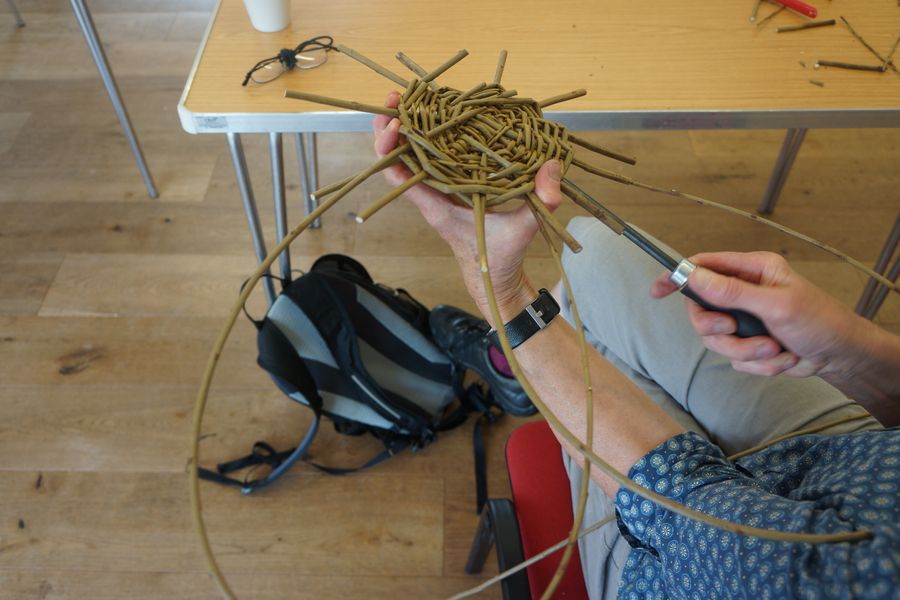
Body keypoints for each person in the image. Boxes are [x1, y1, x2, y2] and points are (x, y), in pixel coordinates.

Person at [372, 91, 900, 598]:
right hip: (861, 462)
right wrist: (847, 350)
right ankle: (522, 370)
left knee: (578, 345)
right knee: (593, 252)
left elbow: (676, 498)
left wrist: (500, 290)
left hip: (690, 566)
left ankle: (518, 365)